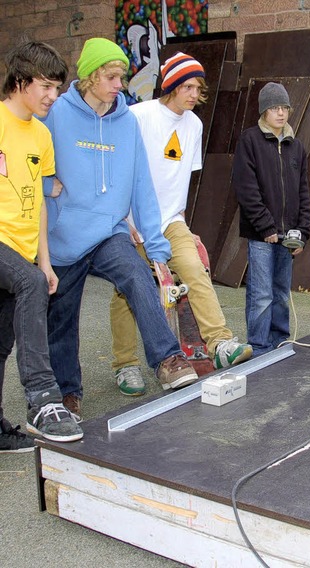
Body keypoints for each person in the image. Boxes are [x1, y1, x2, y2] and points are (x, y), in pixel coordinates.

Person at [41, 38, 198, 420]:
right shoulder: (57, 113)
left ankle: (167, 359)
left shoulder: (125, 121)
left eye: (120, 77)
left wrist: (157, 248)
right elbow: (28, 158)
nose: (118, 85)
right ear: (90, 77)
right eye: (111, 77)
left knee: (135, 274)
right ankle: (68, 393)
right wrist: (47, 185)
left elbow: (141, 184)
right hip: (63, 235)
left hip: (109, 229)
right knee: (61, 318)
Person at [109, 52, 252, 396]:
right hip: (131, 220)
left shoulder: (194, 125)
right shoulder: (138, 116)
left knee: (194, 270)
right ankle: (125, 364)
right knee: (128, 289)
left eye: (198, 87)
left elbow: (178, 180)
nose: (193, 94)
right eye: (187, 86)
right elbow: (117, 169)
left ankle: (220, 343)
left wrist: (184, 223)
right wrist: (120, 220)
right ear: (170, 85)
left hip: (171, 221)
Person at [0, 41, 83, 448]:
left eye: (57, 87)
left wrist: (45, 262)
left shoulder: (40, 135)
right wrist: (36, 274)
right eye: (47, 86)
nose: (54, 96)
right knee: (30, 283)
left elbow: (41, 206)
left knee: (1, 339)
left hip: (18, 248)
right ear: (20, 81)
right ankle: (43, 399)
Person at [232, 82, 310, 356]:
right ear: (264, 111)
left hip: (288, 236)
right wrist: (265, 226)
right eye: (274, 108)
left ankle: (279, 341)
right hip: (261, 236)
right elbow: (246, 188)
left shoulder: (296, 147)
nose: (280, 113)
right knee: (261, 293)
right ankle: (259, 345)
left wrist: (303, 231)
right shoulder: (250, 141)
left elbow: (303, 191)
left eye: (284, 108)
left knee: (280, 293)